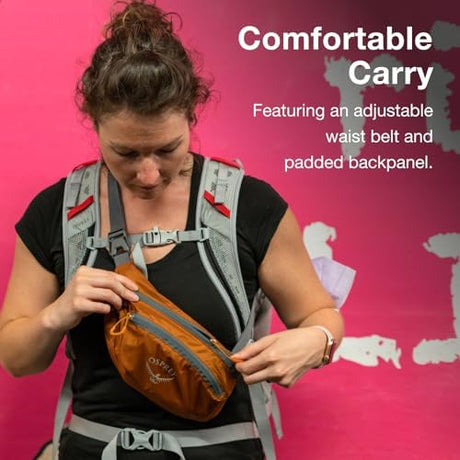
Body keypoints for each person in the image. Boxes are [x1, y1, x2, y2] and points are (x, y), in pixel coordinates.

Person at [0, 1, 344, 459]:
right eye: (125, 153)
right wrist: (57, 313)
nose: (147, 174)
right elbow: (17, 360)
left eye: (167, 149)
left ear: (191, 116)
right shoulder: (58, 213)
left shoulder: (248, 206)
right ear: (94, 125)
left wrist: (317, 341)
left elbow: (320, 315)